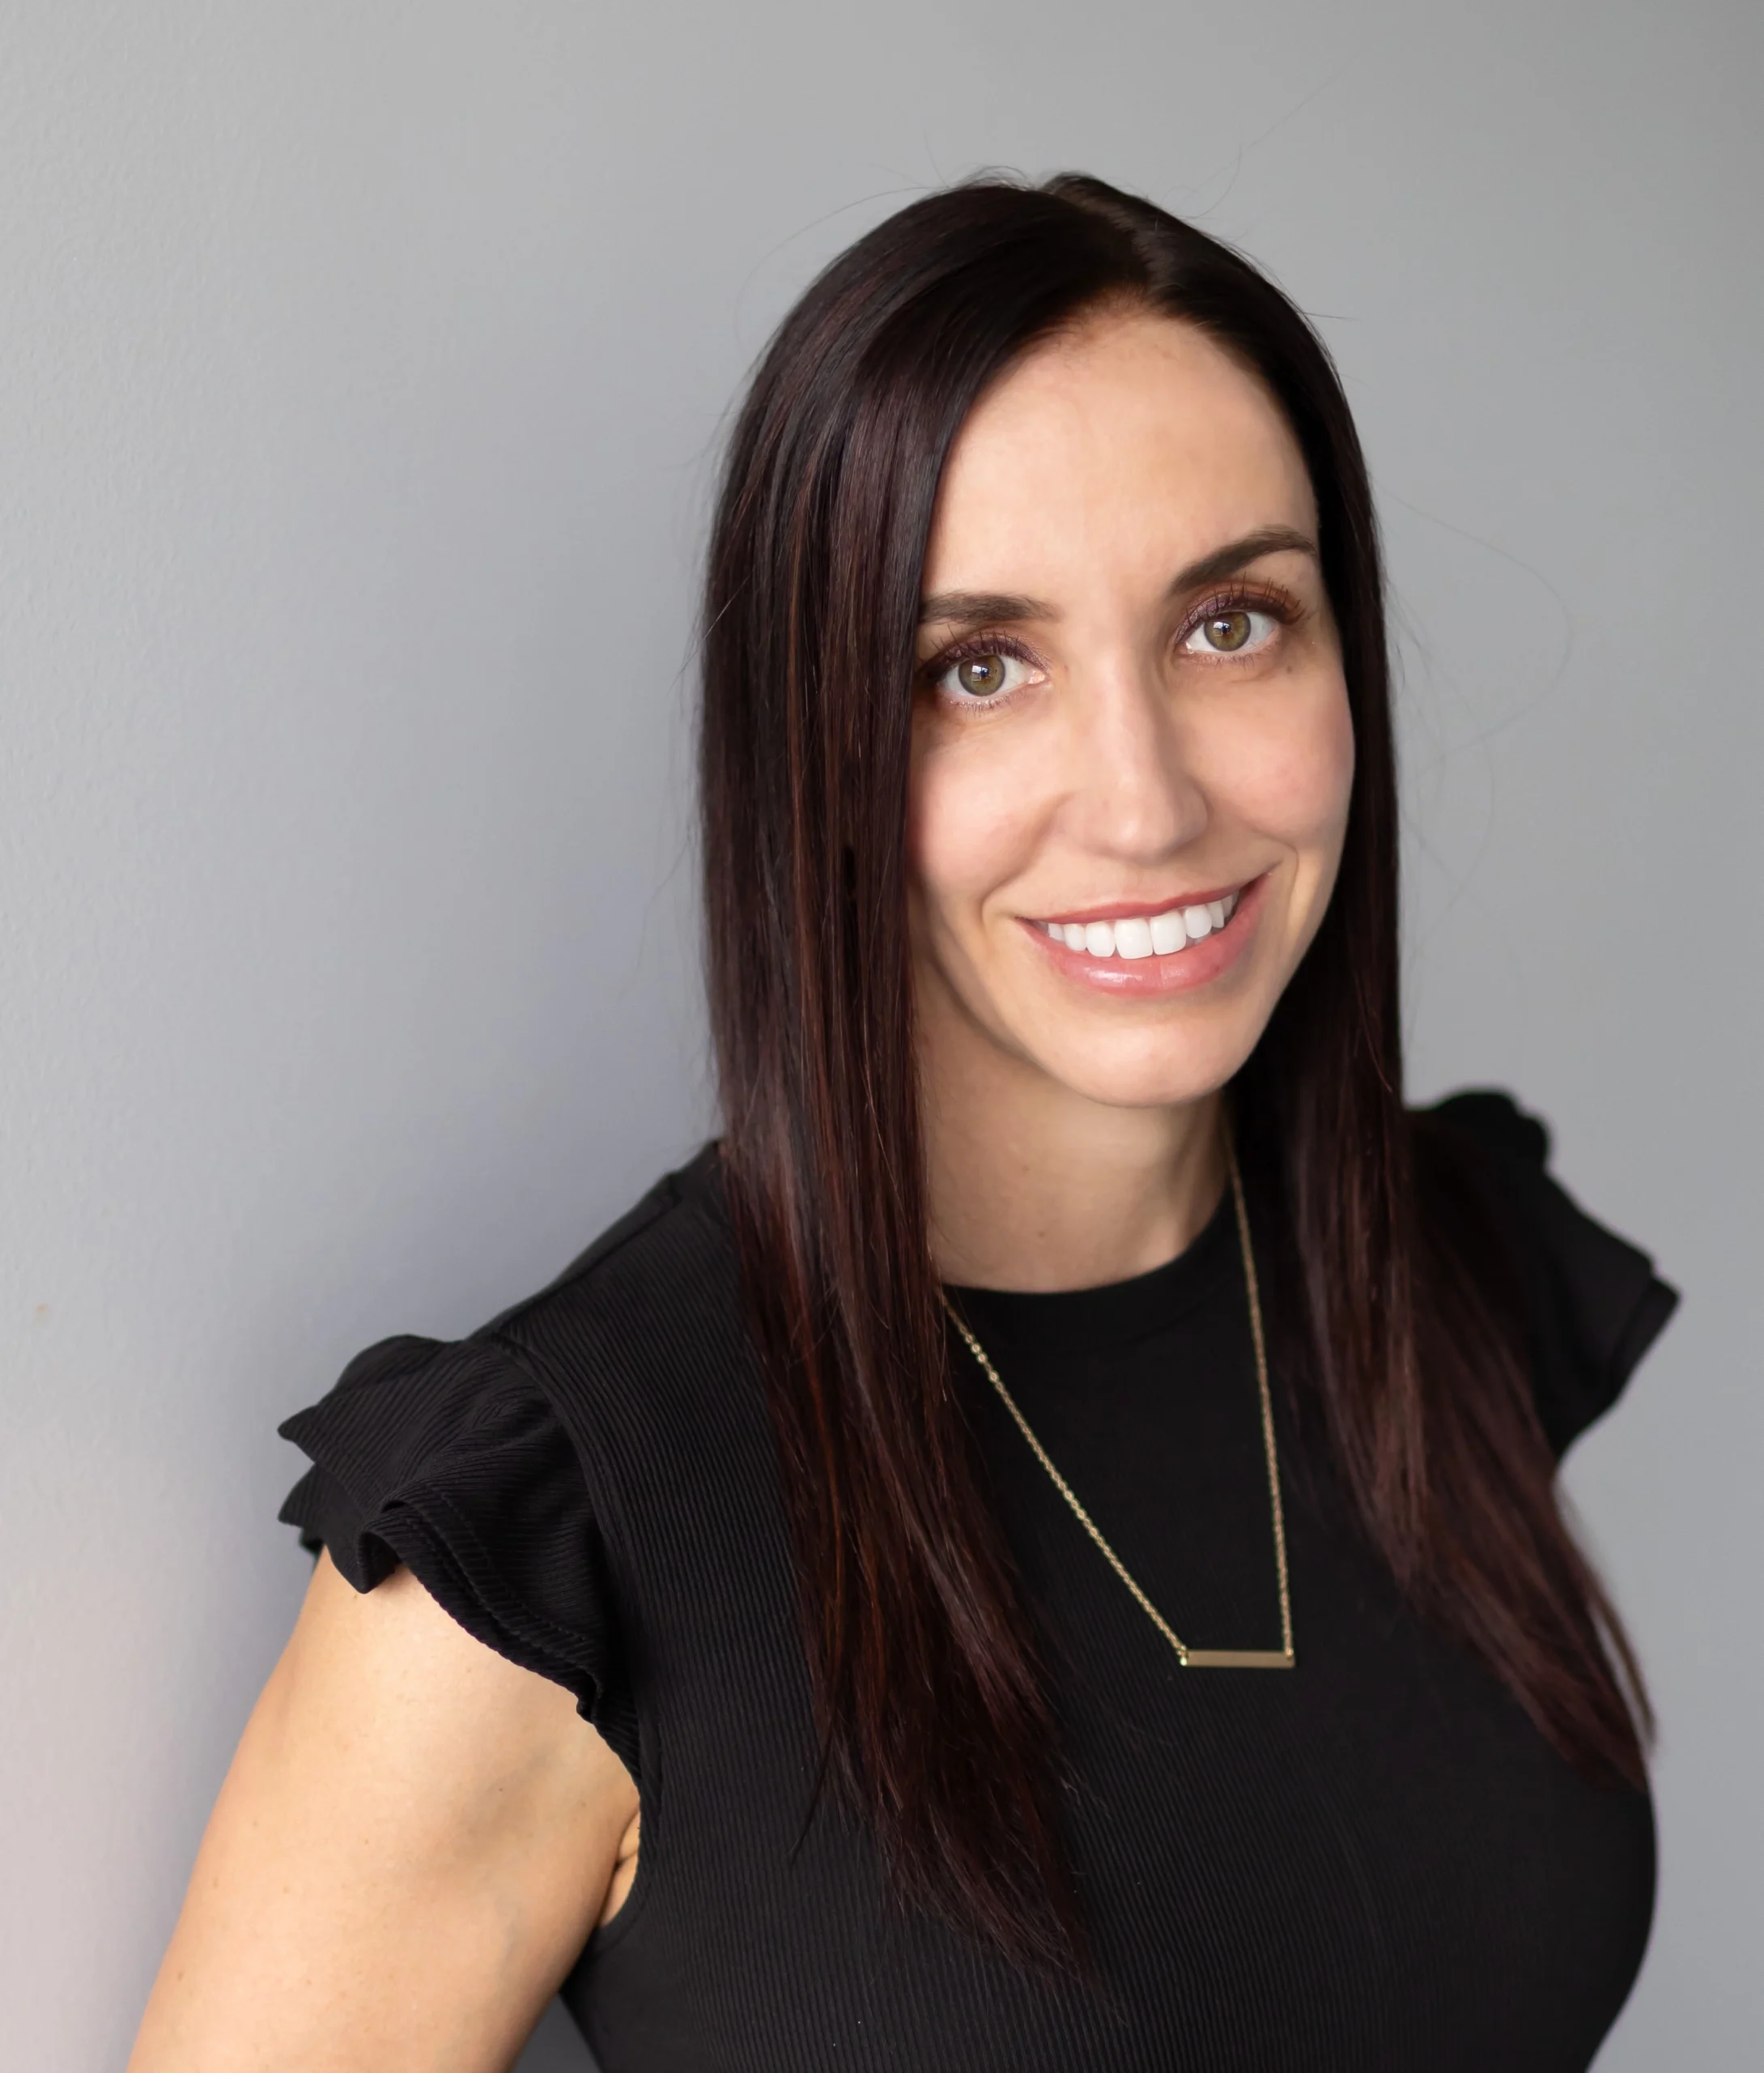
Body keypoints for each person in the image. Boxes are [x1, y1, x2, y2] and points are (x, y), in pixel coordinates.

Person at [129, 174, 1677, 2071]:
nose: (1142, 798)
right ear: (819, 752)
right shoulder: (562, 1539)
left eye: (1231, 622)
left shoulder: (1454, 1276)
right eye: (977, 666)